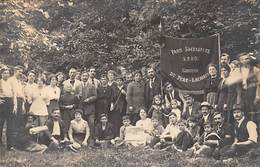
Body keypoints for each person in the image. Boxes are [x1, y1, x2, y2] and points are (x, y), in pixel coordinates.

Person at [0, 68, 17, 150]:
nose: (6, 75)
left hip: (10, 103)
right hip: (2, 104)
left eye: (7, 73)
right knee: (0, 124)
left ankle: (10, 145)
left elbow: (14, 94)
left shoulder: (11, 82)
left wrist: (15, 106)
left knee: (10, 126)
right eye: (4, 73)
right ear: (1, 74)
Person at [80, 71, 97, 146]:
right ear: (81, 77)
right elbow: (75, 96)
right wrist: (77, 96)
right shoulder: (78, 86)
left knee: (91, 124)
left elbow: (95, 96)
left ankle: (91, 141)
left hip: (90, 109)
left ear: (88, 77)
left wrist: (89, 99)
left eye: (86, 76)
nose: (84, 77)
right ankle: (83, 140)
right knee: (82, 125)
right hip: (81, 109)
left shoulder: (92, 86)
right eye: (83, 76)